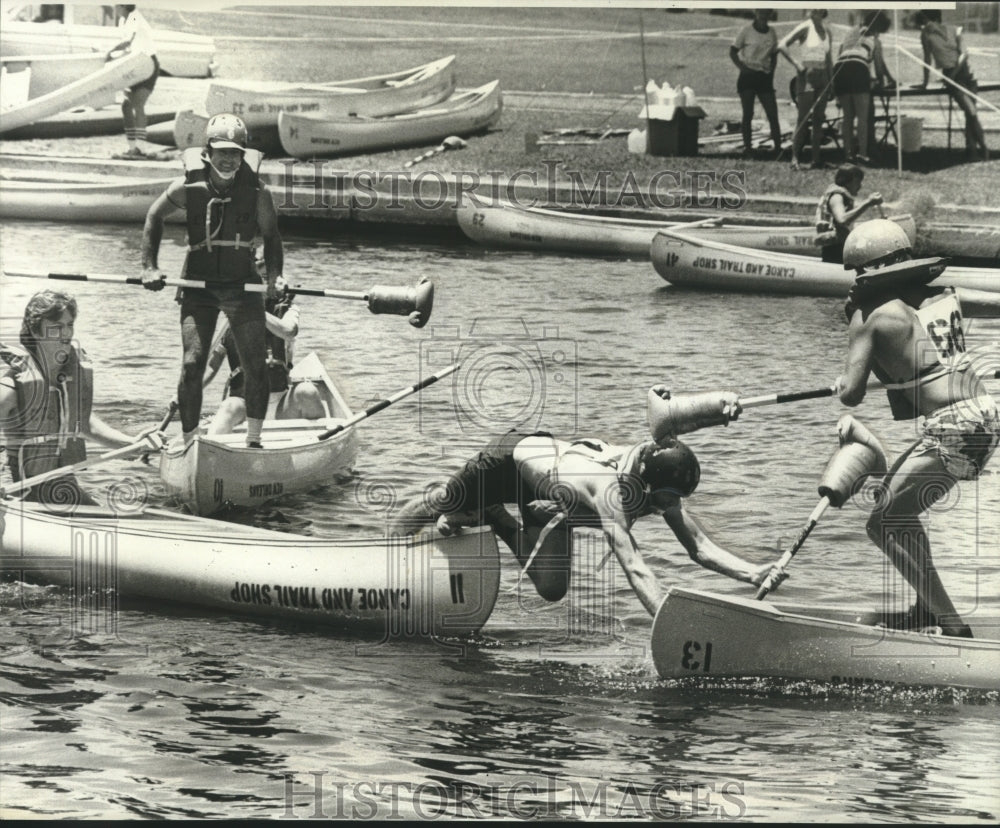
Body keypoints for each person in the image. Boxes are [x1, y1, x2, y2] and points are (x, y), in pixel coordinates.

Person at [390, 426, 781, 618]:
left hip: (545, 493)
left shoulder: (655, 484)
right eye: (666, 500)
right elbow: (633, 565)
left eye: (674, 502)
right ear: (646, 485)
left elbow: (699, 547)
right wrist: (665, 616)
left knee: (552, 589)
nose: (670, 509)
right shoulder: (608, 490)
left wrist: (753, 573)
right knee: (445, 500)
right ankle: (387, 546)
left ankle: (493, 514)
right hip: (507, 461)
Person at [836, 219, 1000, 638]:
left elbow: (851, 395)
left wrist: (846, 378)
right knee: (899, 511)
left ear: (864, 272)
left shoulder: (868, 316)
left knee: (883, 522)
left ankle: (951, 624)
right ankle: (926, 609)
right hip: (984, 411)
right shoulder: (941, 297)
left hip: (952, 423)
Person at [141, 113, 283, 449]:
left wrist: (276, 278)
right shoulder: (187, 188)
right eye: (222, 151)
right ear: (208, 151)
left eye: (236, 152)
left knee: (255, 367)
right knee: (192, 365)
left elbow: (272, 237)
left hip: (242, 287)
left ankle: (253, 442)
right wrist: (150, 266)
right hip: (198, 288)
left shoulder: (258, 193)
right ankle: (190, 444)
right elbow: (154, 216)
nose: (229, 158)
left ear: (243, 154)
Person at [0, 290, 163, 506]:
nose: (66, 333)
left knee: (119, 522)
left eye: (69, 325)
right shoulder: (11, 387)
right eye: (57, 327)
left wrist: (133, 443)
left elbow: (86, 426)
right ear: (35, 330)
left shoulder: (67, 380)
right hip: (18, 491)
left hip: (61, 485)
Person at [202, 275, 327, 435]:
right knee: (228, 406)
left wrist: (255, 310)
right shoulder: (230, 319)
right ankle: (211, 452)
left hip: (281, 405)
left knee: (307, 392)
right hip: (244, 405)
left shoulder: (288, 311)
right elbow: (212, 367)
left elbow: (288, 331)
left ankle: (321, 443)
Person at [915, 9, 989, 161]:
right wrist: (924, 82)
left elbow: (964, 54)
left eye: (927, 20)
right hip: (950, 74)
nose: (925, 24)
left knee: (970, 114)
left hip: (965, 74)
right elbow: (927, 60)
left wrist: (953, 75)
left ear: (935, 19)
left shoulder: (955, 30)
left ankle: (972, 150)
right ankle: (982, 149)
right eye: (923, 22)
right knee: (971, 112)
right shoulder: (926, 35)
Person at [832, 10, 895, 164]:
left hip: (840, 70)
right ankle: (862, 154)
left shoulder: (849, 35)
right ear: (878, 28)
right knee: (862, 117)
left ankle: (848, 155)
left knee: (847, 117)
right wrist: (883, 82)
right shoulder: (875, 40)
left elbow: (841, 54)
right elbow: (879, 68)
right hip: (858, 70)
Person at [778, 9, 834, 170]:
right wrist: (797, 64)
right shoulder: (805, 27)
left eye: (820, 9)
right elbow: (782, 45)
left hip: (823, 76)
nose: (817, 11)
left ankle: (816, 159)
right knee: (803, 118)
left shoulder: (827, 31)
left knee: (818, 119)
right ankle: (795, 159)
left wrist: (831, 82)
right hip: (807, 75)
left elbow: (829, 59)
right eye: (813, 9)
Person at [729, 9, 783, 158]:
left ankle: (778, 148)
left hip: (764, 77)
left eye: (766, 13)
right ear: (756, 13)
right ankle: (748, 148)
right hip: (748, 76)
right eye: (761, 12)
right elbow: (733, 51)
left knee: (772, 113)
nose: (763, 16)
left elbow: (774, 55)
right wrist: (742, 68)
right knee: (748, 113)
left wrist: (771, 72)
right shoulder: (746, 30)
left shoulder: (772, 32)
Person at [109, 4, 159, 158]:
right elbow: (128, 49)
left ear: (123, 6)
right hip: (134, 65)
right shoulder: (123, 21)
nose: (114, 8)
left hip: (147, 65)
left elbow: (128, 42)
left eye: (116, 5)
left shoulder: (135, 17)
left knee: (138, 104)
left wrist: (109, 52)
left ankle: (141, 149)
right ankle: (132, 148)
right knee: (126, 106)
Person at [813, 163, 883, 263]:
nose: (860, 186)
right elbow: (842, 219)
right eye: (858, 182)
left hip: (838, 246)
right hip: (834, 249)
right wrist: (868, 202)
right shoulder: (837, 196)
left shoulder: (840, 195)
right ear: (848, 182)